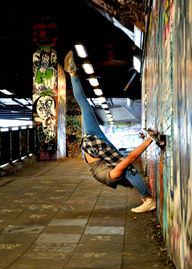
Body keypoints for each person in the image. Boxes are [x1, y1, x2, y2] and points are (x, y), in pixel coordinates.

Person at [64, 50, 156, 213]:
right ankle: (148, 199)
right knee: (85, 107)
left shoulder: (114, 174)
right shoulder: (113, 174)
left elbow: (131, 159)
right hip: (92, 144)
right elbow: (130, 158)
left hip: (93, 144)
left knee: (85, 107)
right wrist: (149, 141)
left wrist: (149, 141)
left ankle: (73, 73)